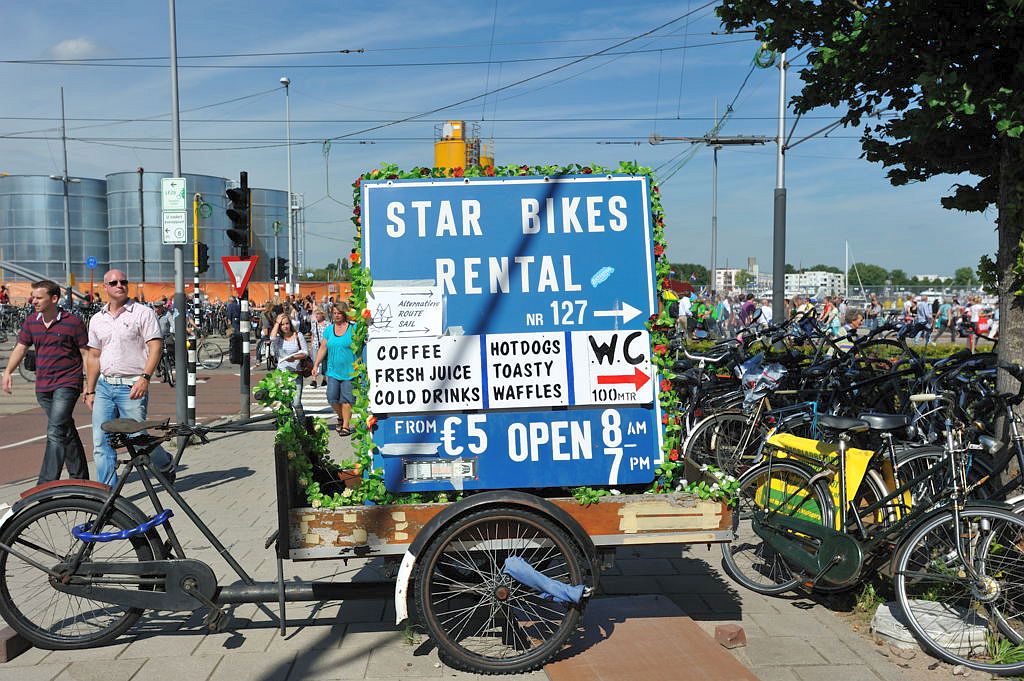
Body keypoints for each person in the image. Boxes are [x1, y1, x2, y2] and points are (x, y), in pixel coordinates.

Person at [83, 269, 174, 487]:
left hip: (132, 385)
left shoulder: (142, 313)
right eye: (113, 282)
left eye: (123, 281)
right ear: (105, 288)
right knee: (101, 441)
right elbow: (94, 356)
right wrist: (90, 389)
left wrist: (144, 378)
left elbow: (155, 347)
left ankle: (164, 464)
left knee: (137, 439)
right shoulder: (97, 319)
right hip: (105, 386)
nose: (119, 285)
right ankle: (107, 493)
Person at [2, 279, 90, 484]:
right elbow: (21, 348)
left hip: (67, 383)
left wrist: (89, 384)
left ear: (54, 298)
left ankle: (45, 484)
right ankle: (80, 478)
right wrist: (7, 372)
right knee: (65, 429)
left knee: (55, 430)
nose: (33, 301)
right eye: (33, 297)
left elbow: (87, 354)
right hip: (43, 386)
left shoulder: (73, 322)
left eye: (38, 297)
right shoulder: (32, 321)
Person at [311, 302, 356, 436]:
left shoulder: (353, 328)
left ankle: (346, 426)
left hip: (350, 371)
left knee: (347, 399)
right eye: (334, 313)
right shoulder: (329, 330)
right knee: (332, 398)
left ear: (345, 313)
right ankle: (341, 417)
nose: (336, 315)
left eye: (339, 313)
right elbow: (323, 348)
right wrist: (316, 364)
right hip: (333, 370)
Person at [271, 313, 309, 407]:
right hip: (281, 373)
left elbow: (305, 352)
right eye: (282, 324)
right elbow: (272, 338)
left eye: (287, 323)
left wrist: (294, 358)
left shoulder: (298, 335)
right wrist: (277, 322)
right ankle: (288, 420)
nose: (285, 326)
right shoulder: (279, 339)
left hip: (296, 373)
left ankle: (301, 421)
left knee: (296, 403)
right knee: (284, 403)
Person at [308, 308, 329, 388]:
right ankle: (314, 379)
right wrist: (311, 345)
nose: (316, 316)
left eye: (318, 314)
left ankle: (324, 379)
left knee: (324, 362)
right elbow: (312, 335)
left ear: (322, 314)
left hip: (325, 346)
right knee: (315, 362)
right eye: (315, 314)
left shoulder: (328, 324)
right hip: (316, 345)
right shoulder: (314, 324)